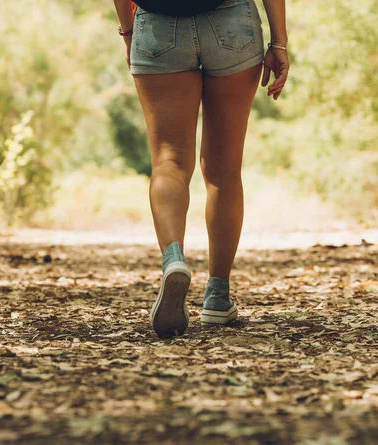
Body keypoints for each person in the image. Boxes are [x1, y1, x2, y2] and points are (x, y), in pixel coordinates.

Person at [113, 0, 289, 336]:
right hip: (232, 21)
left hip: (158, 25)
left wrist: (130, 32)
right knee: (224, 168)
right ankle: (218, 298)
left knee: (169, 160)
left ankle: (174, 258)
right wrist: (278, 42)